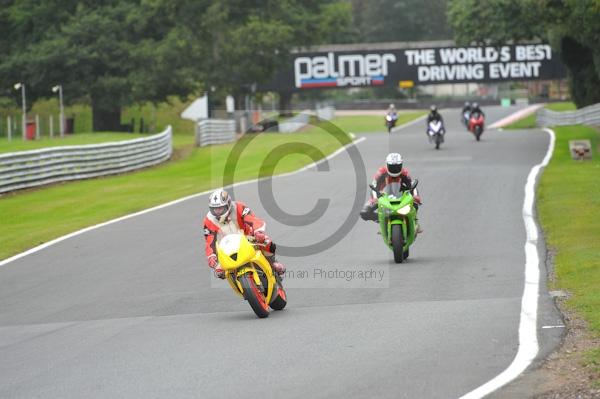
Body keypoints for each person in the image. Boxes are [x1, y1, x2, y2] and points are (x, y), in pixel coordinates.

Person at [203, 189, 286, 279]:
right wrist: (211, 256)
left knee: (267, 241)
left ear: (228, 205)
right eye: (214, 209)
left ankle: (273, 262)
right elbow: (209, 241)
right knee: (219, 271)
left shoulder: (239, 207)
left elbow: (252, 219)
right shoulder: (209, 220)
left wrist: (258, 231)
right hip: (225, 247)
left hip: (247, 237)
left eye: (220, 208)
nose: (217, 212)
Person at [360, 153, 422, 232]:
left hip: (401, 196)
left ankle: (415, 221)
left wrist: (415, 197)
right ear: (386, 164)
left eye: (397, 166)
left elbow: (412, 186)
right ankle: (382, 221)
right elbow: (374, 186)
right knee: (364, 212)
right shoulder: (381, 172)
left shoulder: (405, 173)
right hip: (382, 196)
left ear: (401, 165)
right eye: (392, 167)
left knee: (415, 202)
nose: (395, 169)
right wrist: (375, 198)